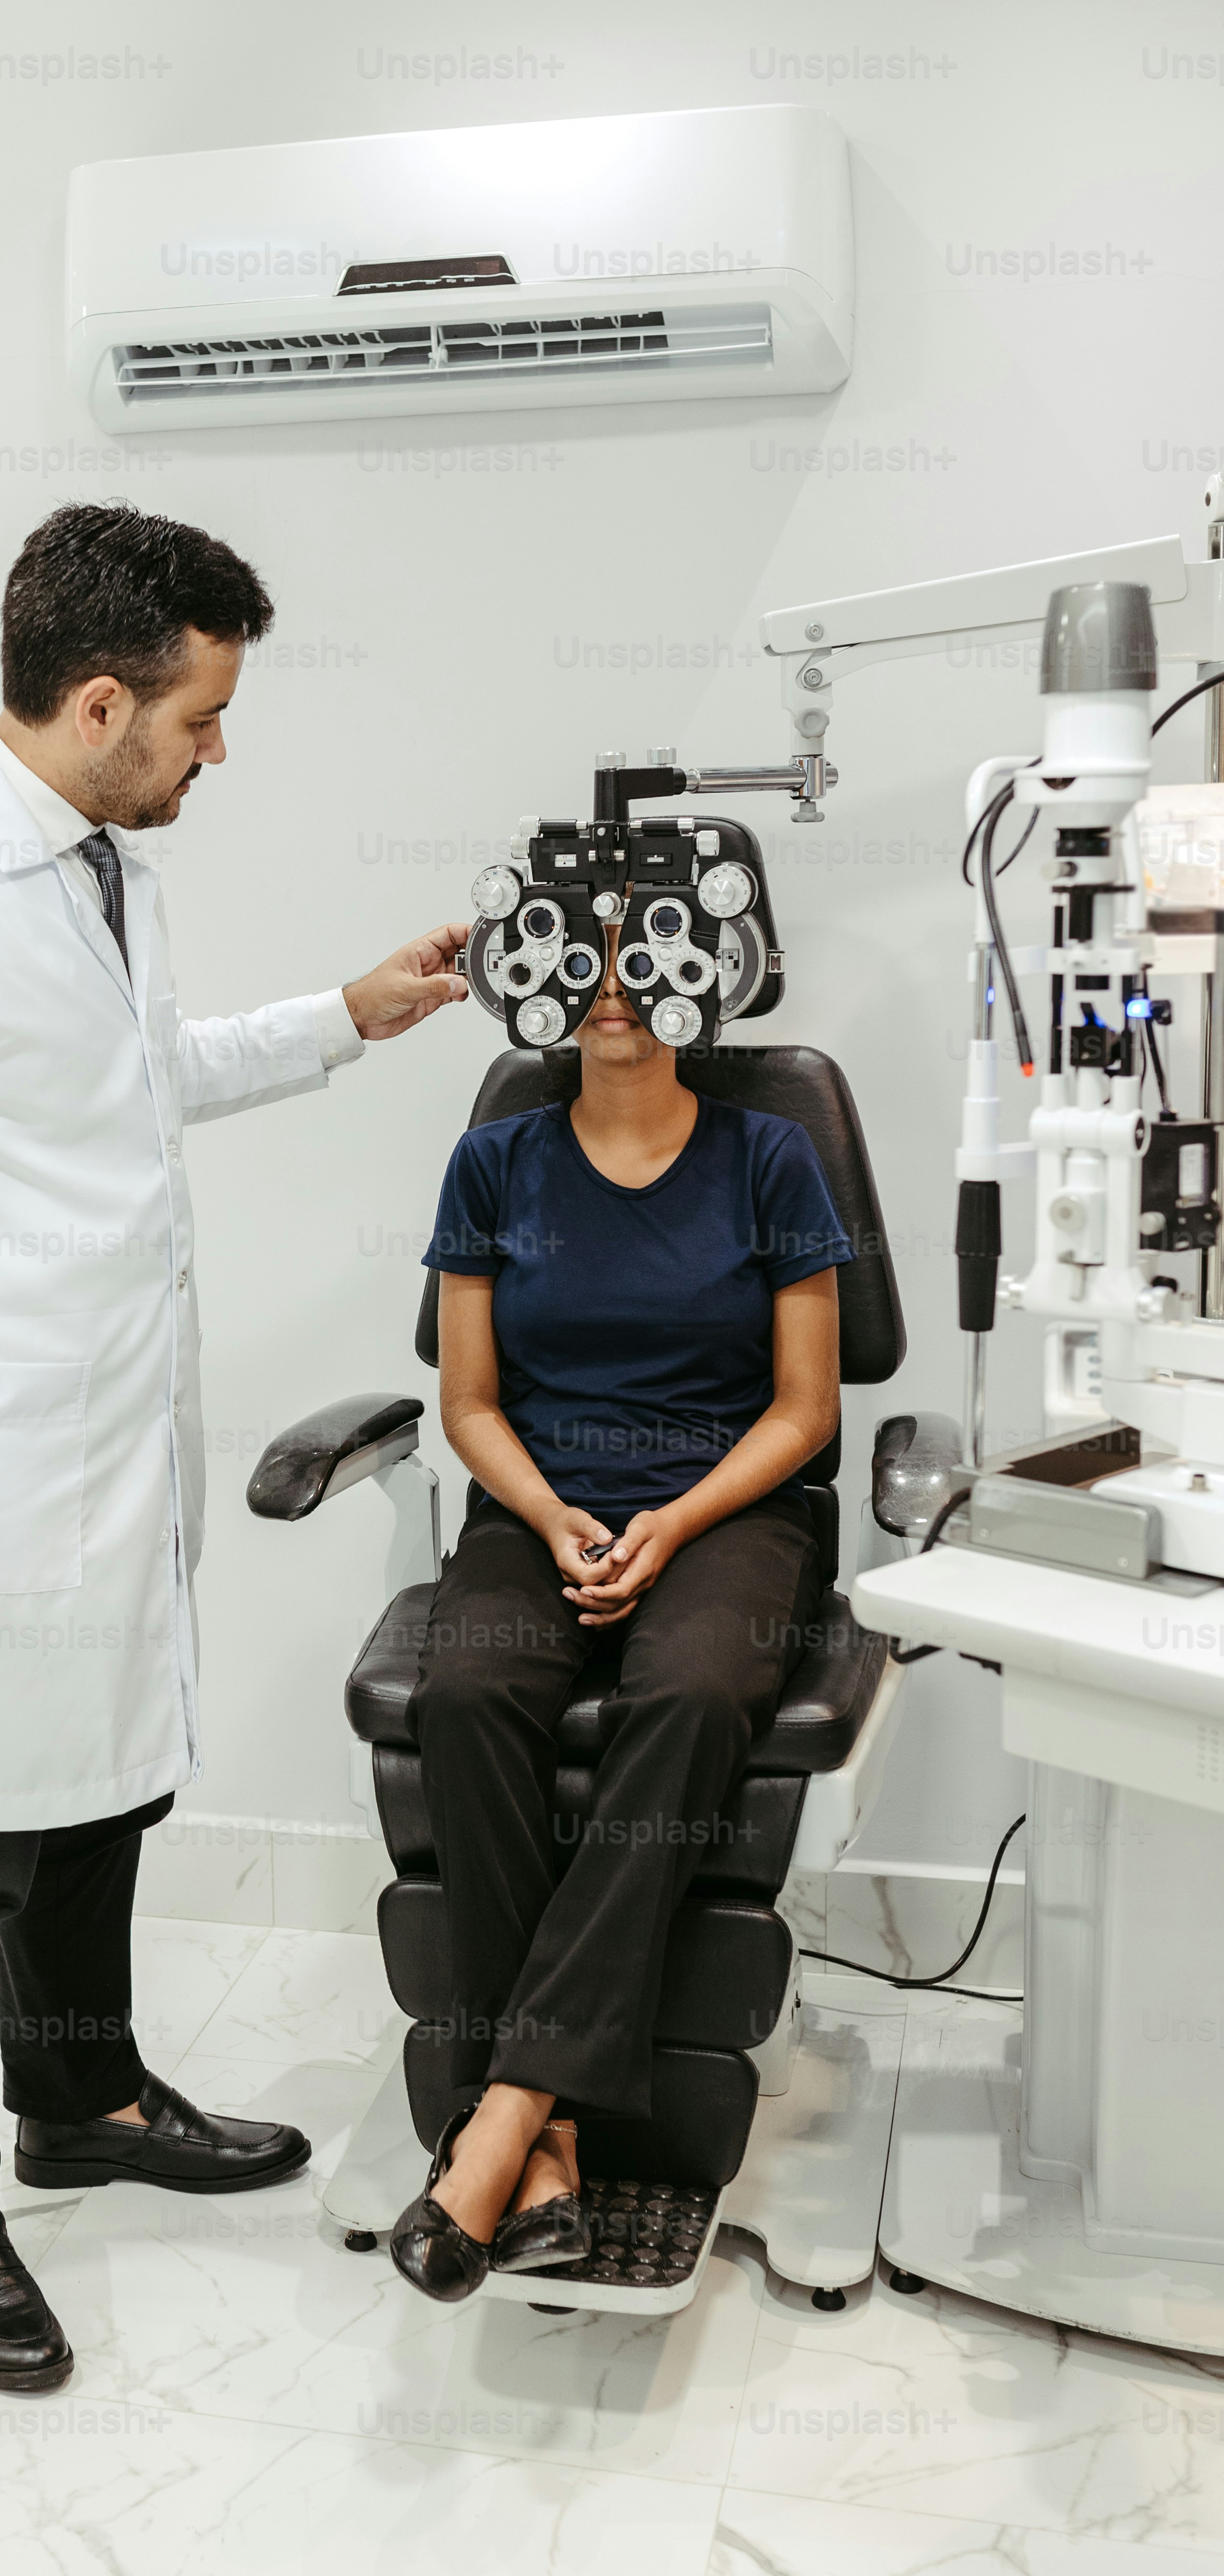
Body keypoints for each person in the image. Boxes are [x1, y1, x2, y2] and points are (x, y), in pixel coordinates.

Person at [0, 501, 468, 2389]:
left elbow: (129, 1081)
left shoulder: (94, 859)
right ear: (97, 703)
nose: (214, 754)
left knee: (94, 1798)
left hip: (97, 1438)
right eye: (200, 720)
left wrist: (348, 1017)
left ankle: (81, 2105)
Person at [388, 931, 852, 2301]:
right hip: (542, 1506)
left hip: (728, 1511)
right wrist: (550, 1517)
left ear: (702, 970)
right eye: (578, 957)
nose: (611, 984)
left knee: (693, 1695)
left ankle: (503, 2118)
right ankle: (553, 2142)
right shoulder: (496, 1164)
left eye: (644, 952)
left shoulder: (770, 1158)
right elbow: (469, 1403)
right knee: (465, 1697)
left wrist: (673, 1521)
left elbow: (805, 1408)